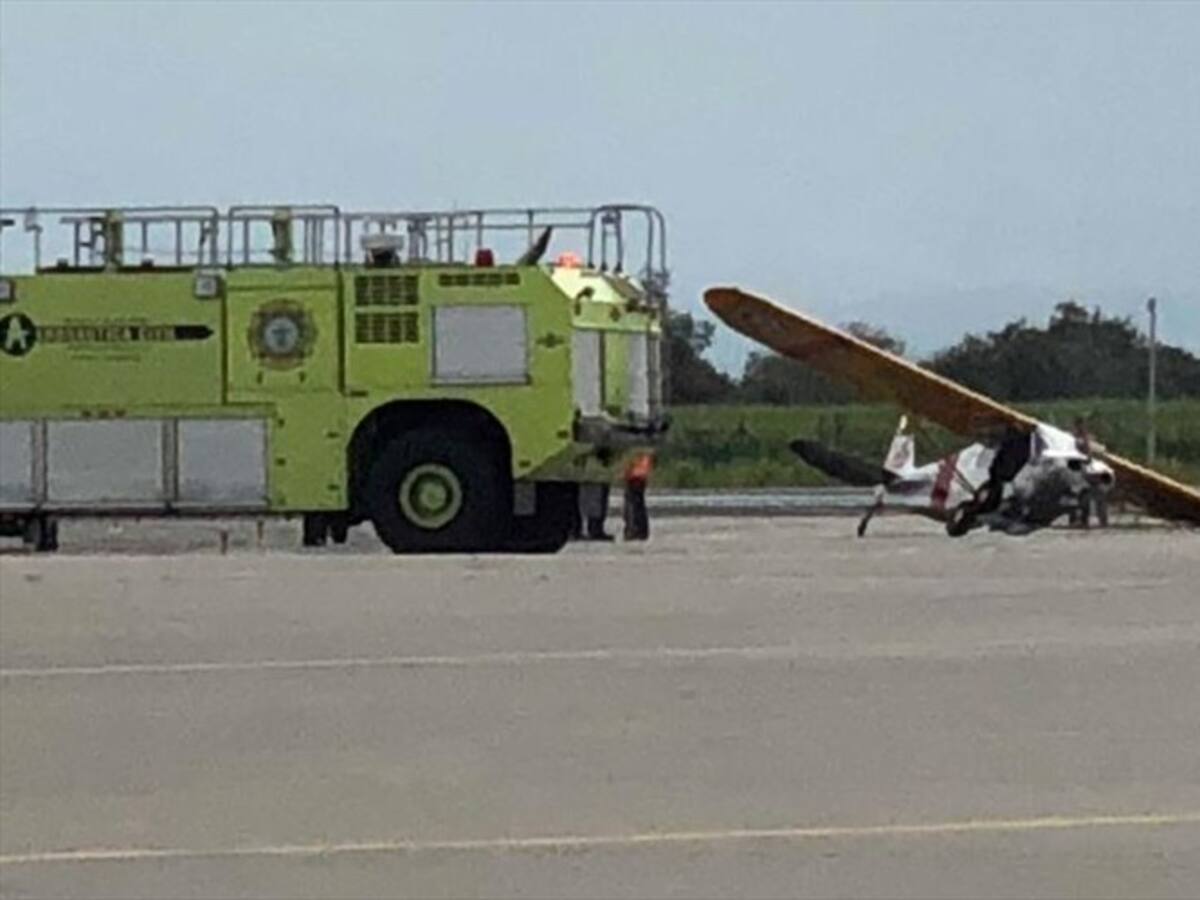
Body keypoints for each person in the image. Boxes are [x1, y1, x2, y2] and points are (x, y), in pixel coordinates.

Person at [623, 453, 653, 541]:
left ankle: (634, 530)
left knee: (632, 504)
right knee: (638, 503)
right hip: (639, 473)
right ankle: (640, 531)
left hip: (635, 474)